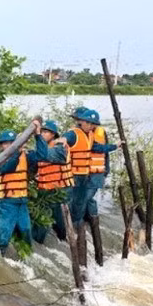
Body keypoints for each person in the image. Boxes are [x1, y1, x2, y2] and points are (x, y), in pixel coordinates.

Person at [62, 107, 121, 266]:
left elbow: (100, 150)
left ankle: (77, 224)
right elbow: (63, 143)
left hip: (90, 174)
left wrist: (115, 147)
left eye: (92, 123)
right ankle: (70, 226)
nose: (78, 121)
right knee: (73, 200)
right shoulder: (74, 134)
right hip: (77, 174)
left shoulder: (93, 135)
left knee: (83, 200)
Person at [28, 119, 74, 244]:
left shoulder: (60, 147)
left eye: (46, 132)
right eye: (41, 131)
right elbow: (32, 168)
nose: (43, 134)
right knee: (42, 219)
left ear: (53, 135)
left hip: (59, 191)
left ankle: (63, 242)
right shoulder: (41, 149)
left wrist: (37, 137)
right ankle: (39, 243)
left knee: (60, 223)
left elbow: (46, 155)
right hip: (44, 191)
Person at [0, 124, 36, 255]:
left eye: (12, 143)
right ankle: (1, 255)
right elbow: (8, 168)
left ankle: (26, 257)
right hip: (6, 202)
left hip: (22, 201)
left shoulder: (25, 156)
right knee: (4, 232)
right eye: (6, 144)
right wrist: (17, 150)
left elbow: (41, 155)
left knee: (26, 230)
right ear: (1, 146)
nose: (9, 146)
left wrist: (37, 136)